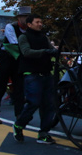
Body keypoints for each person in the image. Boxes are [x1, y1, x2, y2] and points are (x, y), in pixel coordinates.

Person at [13, 13, 60, 144]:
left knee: (48, 105)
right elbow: (26, 52)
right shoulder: (23, 37)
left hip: (46, 74)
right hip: (32, 74)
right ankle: (19, 125)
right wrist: (45, 52)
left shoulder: (44, 37)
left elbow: (52, 50)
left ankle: (43, 133)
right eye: (37, 22)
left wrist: (56, 52)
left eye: (41, 22)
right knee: (33, 102)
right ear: (29, 24)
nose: (40, 24)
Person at [0, 6, 30, 124]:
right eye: (24, 17)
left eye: (28, 17)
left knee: (19, 87)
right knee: (0, 86)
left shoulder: (29, 30)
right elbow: (14, 43)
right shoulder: (10, 27)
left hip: (19, 58)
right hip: (7, 57)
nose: (26, 19)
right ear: (19, 17)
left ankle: (19, 115)